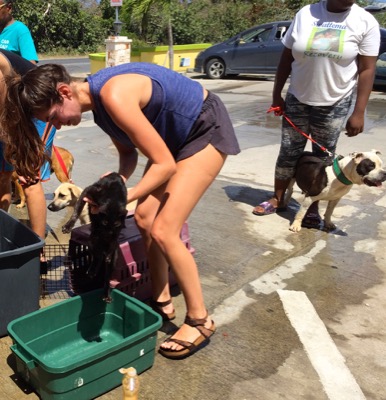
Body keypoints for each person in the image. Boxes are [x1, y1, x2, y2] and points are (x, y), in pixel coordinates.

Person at [1, 62, 240, 359]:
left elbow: (163, 164)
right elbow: (128, 154)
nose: (58, 126)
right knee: (144, 217)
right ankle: (162, 298)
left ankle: (200, 320)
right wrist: (118, 181)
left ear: (64, 92)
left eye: (53, 117)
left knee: (164, 228)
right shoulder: (100, 108)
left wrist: (124, 197)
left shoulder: (113, 95)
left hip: (203, 128)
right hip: (174, 140)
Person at [252, 0, 380, 228]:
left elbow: (367, 68)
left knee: (323, 159)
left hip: (334, 102)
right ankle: (278, 199)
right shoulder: (306, 13)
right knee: (288, 153)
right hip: (297, 99)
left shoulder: (365, 21)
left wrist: (359, 111)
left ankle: (311, 208)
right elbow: (286, 58)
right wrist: (277, 95)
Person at [0, 49, 56, 241]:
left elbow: (6, 119)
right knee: (3, 175)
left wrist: (13, 145)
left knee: (29, 179)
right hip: (8, 111)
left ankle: (36, 251)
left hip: (38, 107)